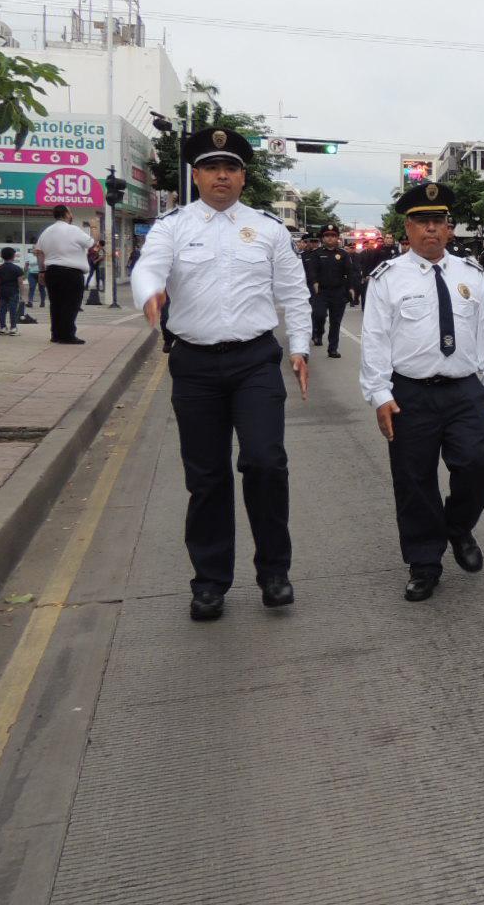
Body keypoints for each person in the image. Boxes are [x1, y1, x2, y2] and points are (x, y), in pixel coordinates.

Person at [131, 126, 312, 622]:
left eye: (230, 168)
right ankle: (210, 582)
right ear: (196, 175)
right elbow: (149, 266)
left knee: (265, 463)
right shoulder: (172, 226)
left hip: (255, 360)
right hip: (194, 364)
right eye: (212, 168)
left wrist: (300, 348)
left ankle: (274, 573)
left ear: (243, 176)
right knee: (207, 477)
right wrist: (150, 293)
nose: (222, 176)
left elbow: (294, 293)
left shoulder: (269, 229)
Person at [361, 181, 484, 601]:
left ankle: (458, 528)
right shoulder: (387, 278)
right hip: (411, 392)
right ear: (406, 228)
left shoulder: (471, 275)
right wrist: (380, 394)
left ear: (449, 228)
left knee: (476, 463)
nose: (431, 229)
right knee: (414, 480)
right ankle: (424, 562)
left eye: (438, 221)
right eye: (422, 222)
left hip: (463, 391)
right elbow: (375, 340)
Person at [34, 205, 94, 344]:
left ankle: (56, 334)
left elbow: (39, 252)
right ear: (67, 214)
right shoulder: (73, 229)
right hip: (71, 272)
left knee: (56, 303)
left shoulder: (46, 231)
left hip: (52, 271)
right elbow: (90, 243)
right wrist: (94, 228)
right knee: (71, 303)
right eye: (70, 212)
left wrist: (42, 271)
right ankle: (67, 334)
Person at [305, 223, 360, 359]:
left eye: (333, 236)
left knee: (335, 322)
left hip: (338, 292)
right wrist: (314, 282)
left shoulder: (343, 255)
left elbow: (350, 272)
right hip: (321, 292)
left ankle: (333, 349)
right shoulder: (316, 254)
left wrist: (351, 288)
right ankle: (318, 331)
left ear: (337, 238)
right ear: (323, 238)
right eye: (327, 236)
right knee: (319, 315)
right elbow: (312, 271)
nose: (330, 238)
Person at [0, 248, 24, 336]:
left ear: (2, 256)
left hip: (2, 291)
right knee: (13, 310)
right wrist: (22, 295)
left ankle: (2, 327)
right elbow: (20, 283)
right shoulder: (17, 269)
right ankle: (13, 328)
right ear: (13, 256)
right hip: (13, 291)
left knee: (2, 310)